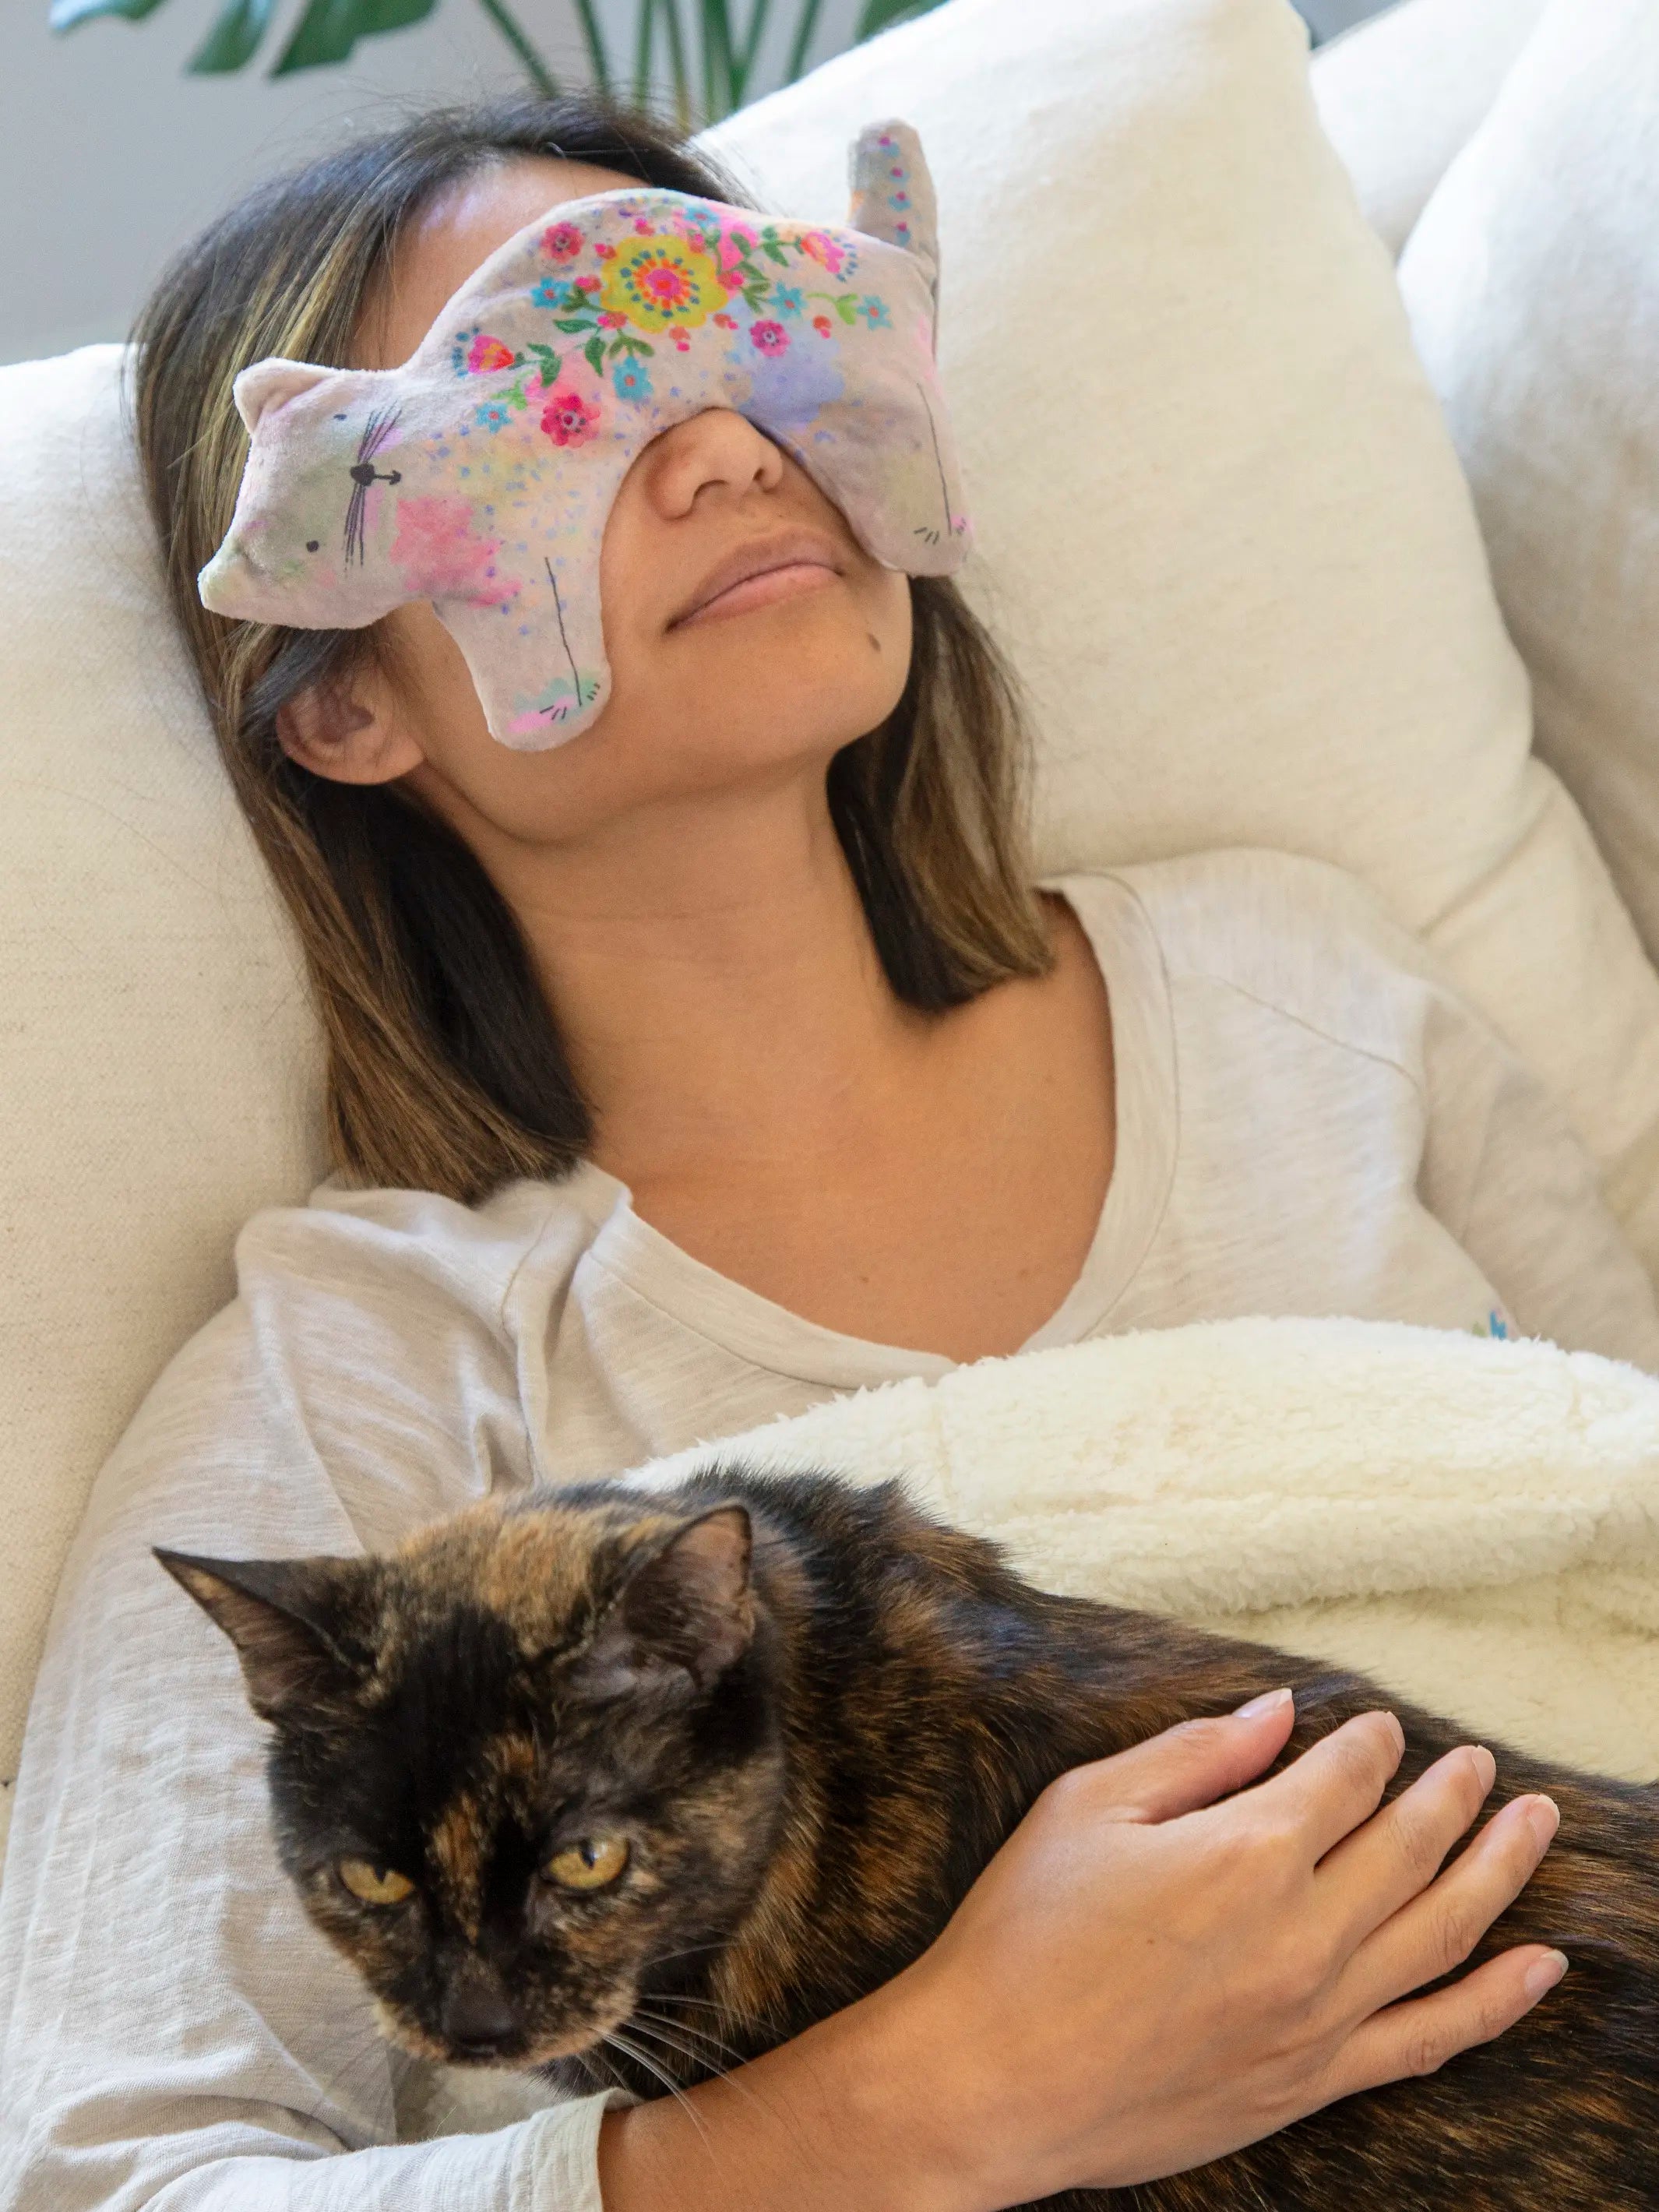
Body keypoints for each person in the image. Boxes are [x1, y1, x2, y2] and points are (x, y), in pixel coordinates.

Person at [2, 86, 1654, 2212]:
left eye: (753, 346)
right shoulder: (370, 1373)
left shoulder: (1303, 999)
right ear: (344, 697)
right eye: (562, 399)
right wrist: (922, 2108)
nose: (723, 449)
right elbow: (116, 2182)